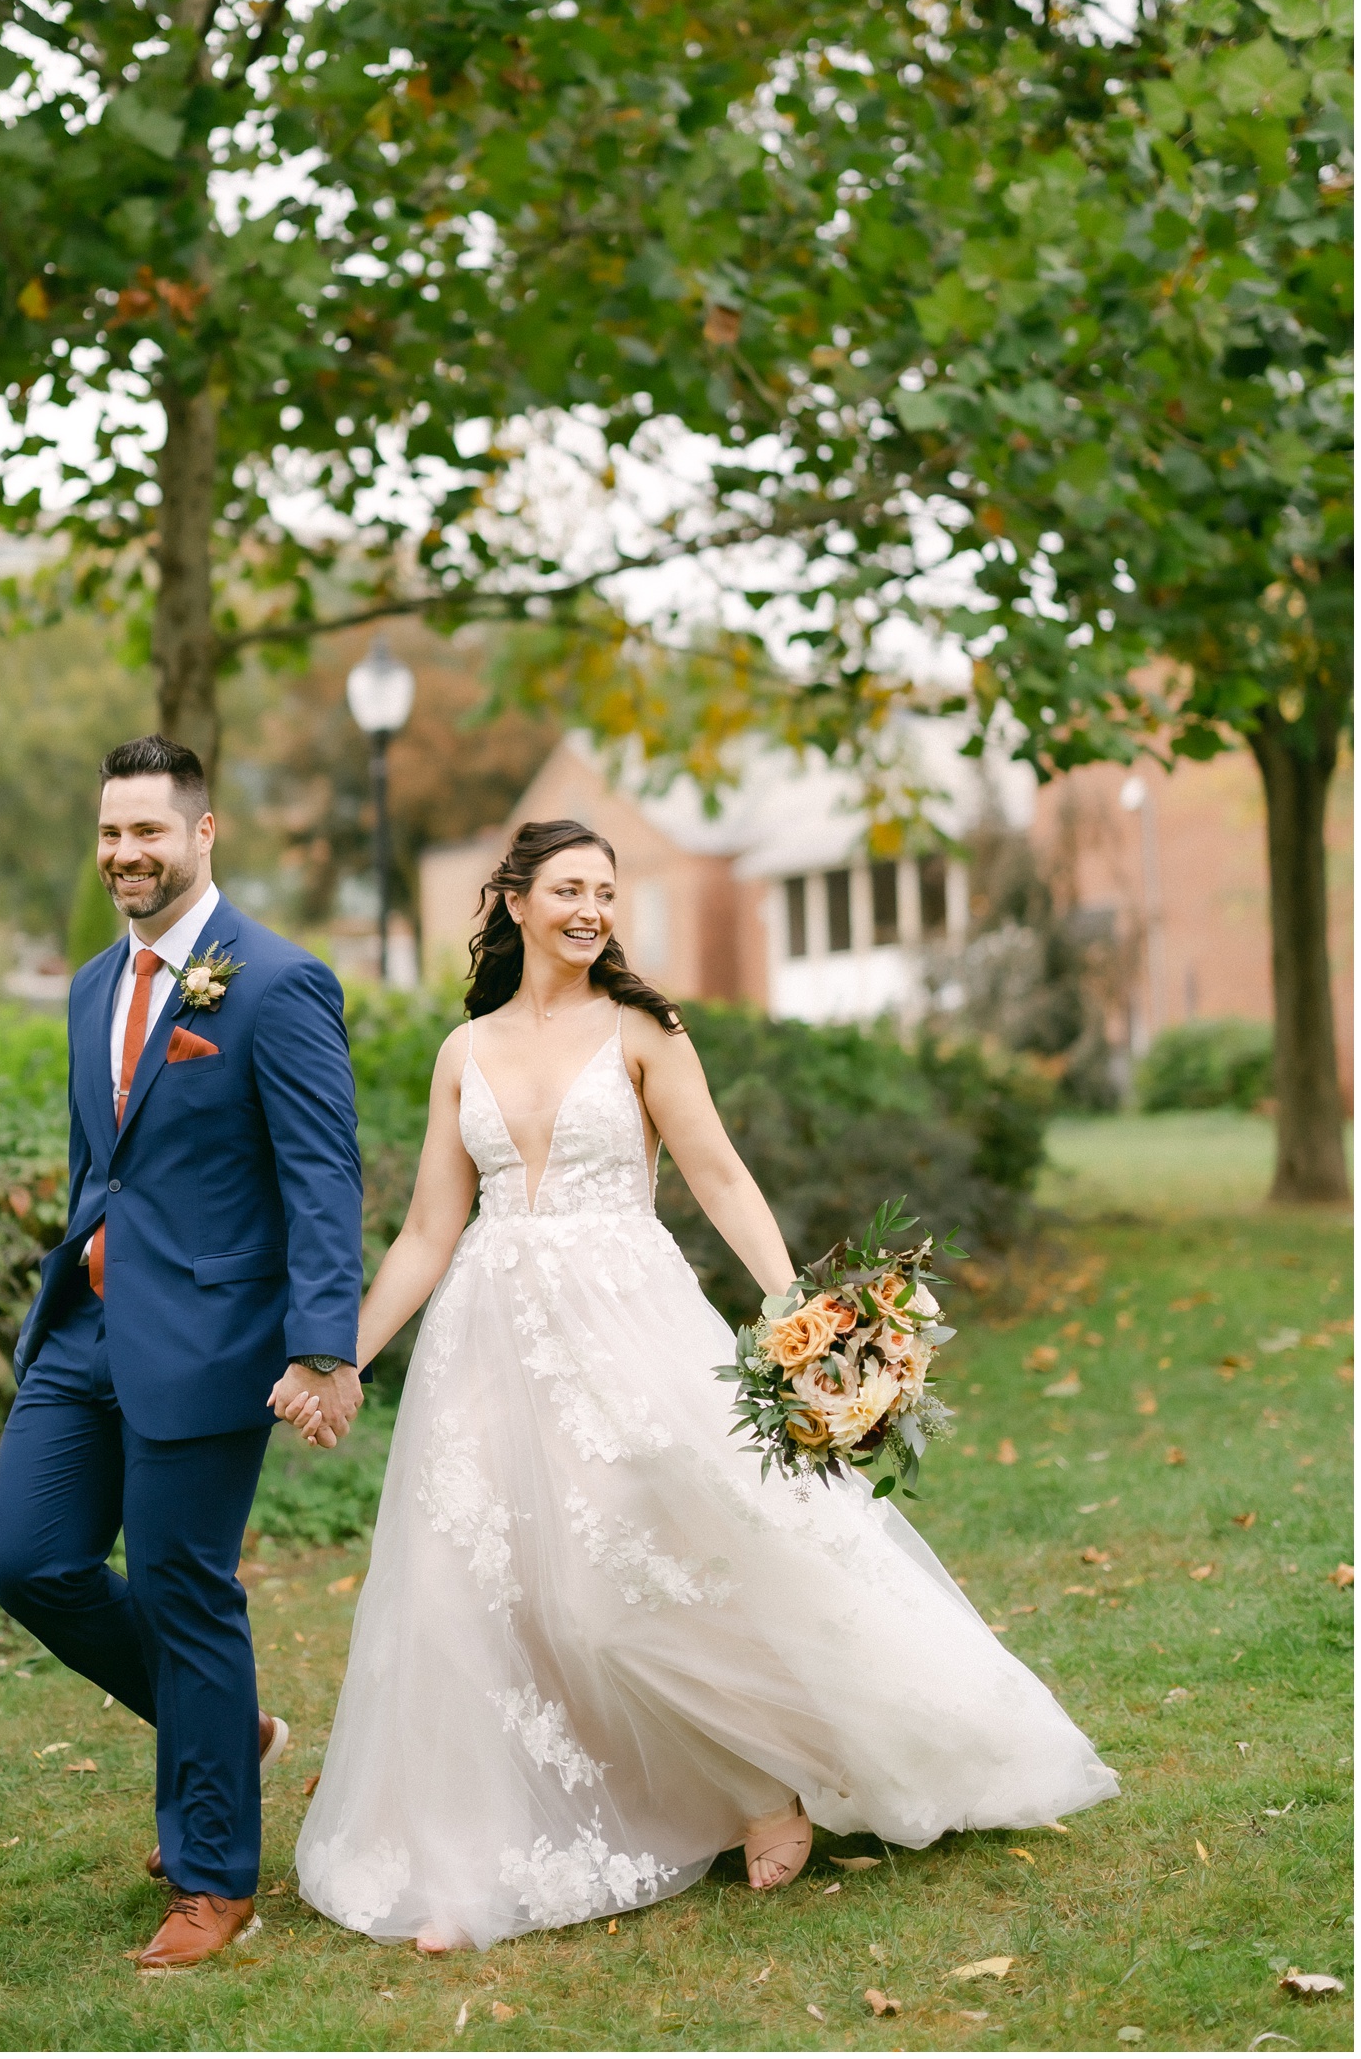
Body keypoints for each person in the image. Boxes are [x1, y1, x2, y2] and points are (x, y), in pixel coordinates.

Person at [292, 819, 1118, 1952]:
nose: (590, 908)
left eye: (605, 890)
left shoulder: (641, 1028)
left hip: (622, 1318)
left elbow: (718, 1172)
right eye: (568, 888)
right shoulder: (461, 1049)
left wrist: (797, 1319)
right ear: (516, 900)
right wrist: (346, 1354)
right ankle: (465, 1851)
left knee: (624, 1583)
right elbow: (430, 1229)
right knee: (468, 1586)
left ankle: (757, 1784)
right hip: (485, 1334)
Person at [0, 734, 365, 1971]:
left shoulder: (275, 982)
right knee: (28, 1558)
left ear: (203, 834)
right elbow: (108, 1163)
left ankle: (214, 1878)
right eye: (108, 831)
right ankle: (227, 1733)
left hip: (209, 1336)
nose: (123, 852)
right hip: (86, 1327)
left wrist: (322, 1347)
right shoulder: (93, 983)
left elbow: (320, 1177)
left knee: (184, 1589)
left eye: (147, 829)